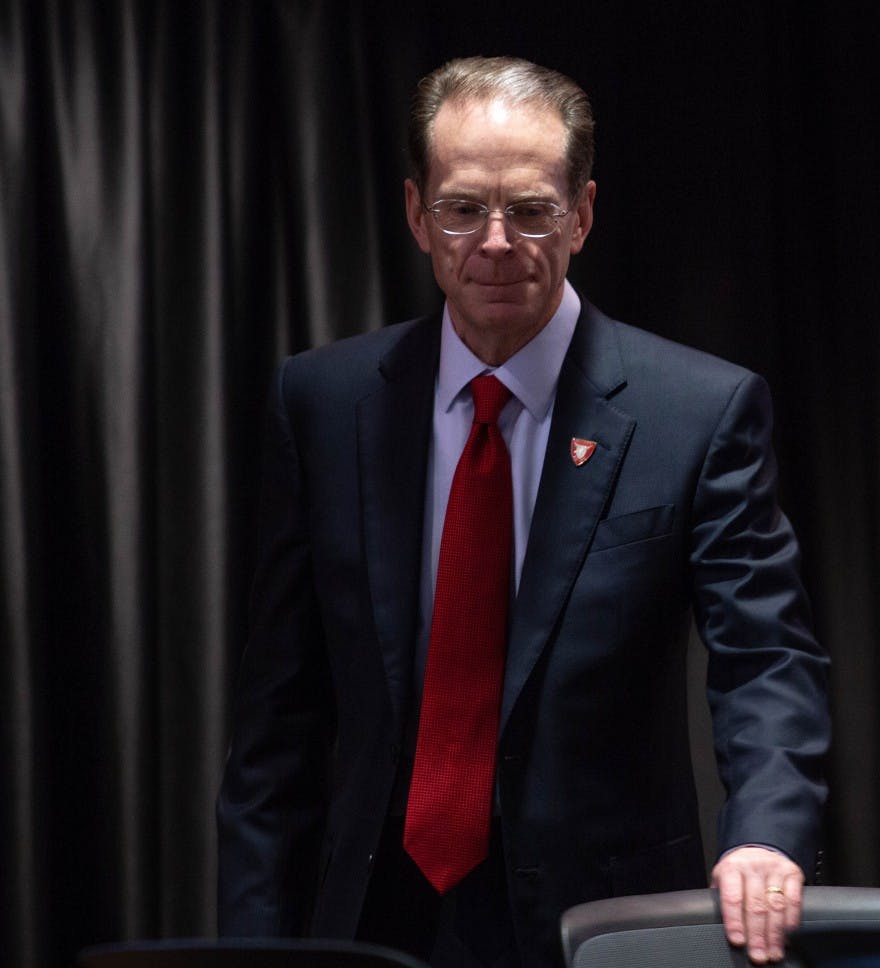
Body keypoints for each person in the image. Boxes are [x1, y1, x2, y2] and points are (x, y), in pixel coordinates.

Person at [217, 56, 830, 968]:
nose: (496, 242)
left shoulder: (697, 410)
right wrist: (252, 948)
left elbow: (764, 658)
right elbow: (278, 721)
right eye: (464, 208)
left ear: (581, 215)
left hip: (600, 918)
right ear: (419, 215)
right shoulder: (323, 402)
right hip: (371, 913)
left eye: (532, 210)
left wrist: (767, 834)